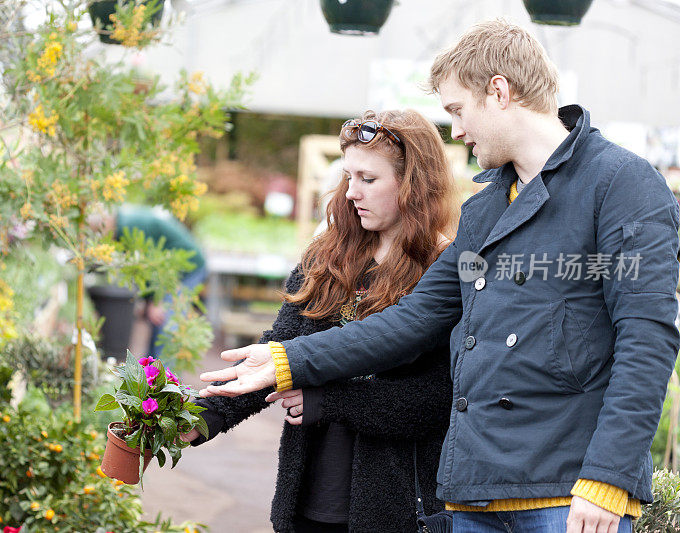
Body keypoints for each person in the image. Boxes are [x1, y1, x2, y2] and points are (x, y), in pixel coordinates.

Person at [198, 20, 680, 533]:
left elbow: (646, 340)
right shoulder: (487, 208)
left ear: (499, 91)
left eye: (456, 110)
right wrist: (287, 357)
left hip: (566, 496)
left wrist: (609, 478)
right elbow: (414, 319)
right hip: (474, 497)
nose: (455, 130)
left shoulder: (621, 183)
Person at [183, 109, 457, 532]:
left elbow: (438, 401)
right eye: (348, 177)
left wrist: (330, 402)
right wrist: (200, 420)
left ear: (414, 183)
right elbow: (279, 352)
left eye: (368, 179)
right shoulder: (326, 257)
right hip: (310, 498)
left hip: (393, 508)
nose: (351, 193)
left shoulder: (443, 269)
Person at [90, 204, 207, 357]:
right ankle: (152, 374)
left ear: (105, 223)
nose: (101, 240)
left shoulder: (130, 228)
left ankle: (166, 378)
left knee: (167, 325)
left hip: (188, 267)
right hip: (171, 268)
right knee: (158, 323)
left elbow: (153, 265)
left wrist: (156, 300)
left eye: (99, 232)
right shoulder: (125, 221)